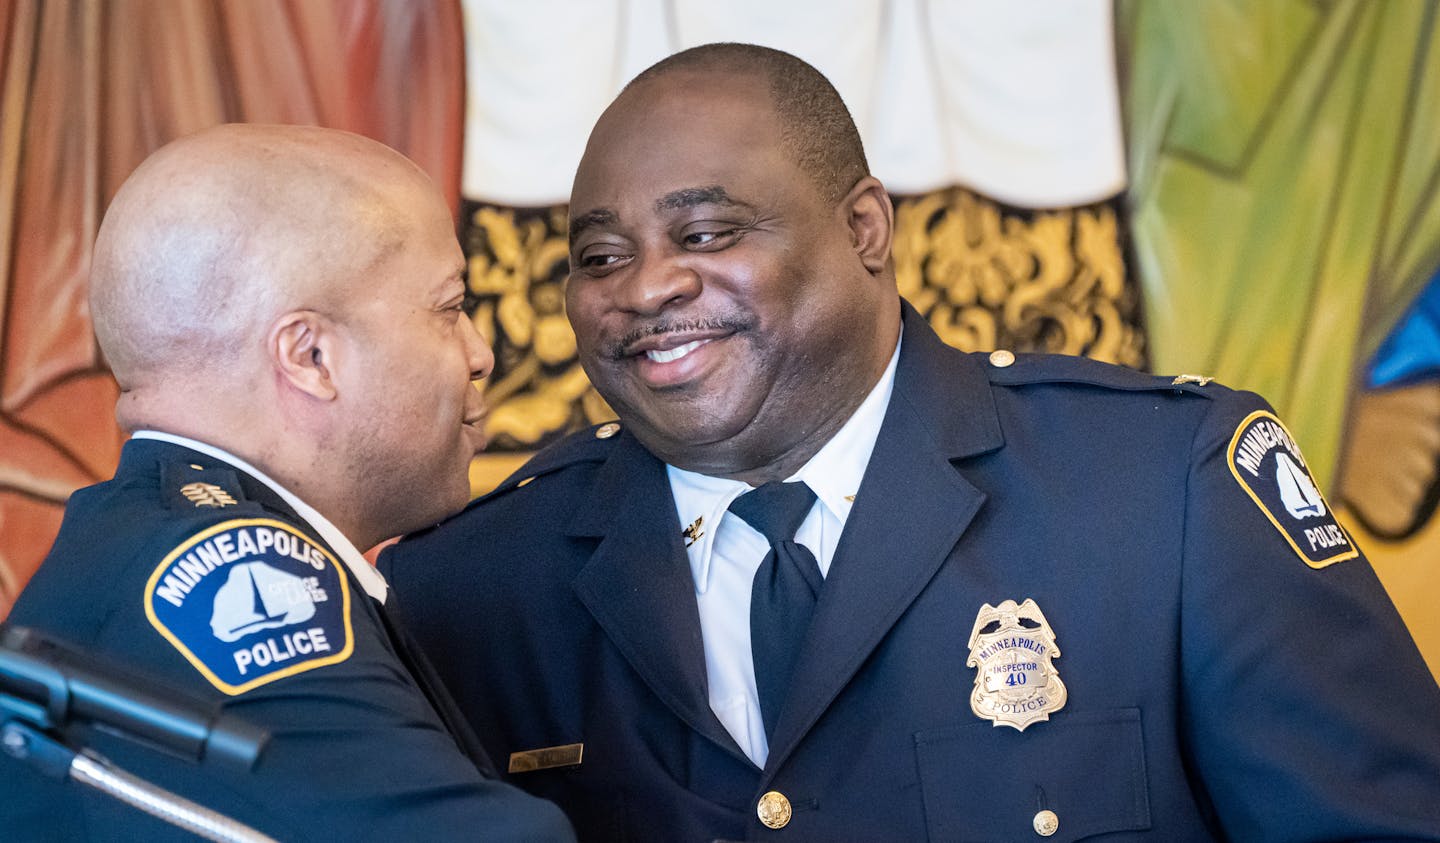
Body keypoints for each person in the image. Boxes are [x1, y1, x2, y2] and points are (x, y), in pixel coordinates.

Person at [380, 44, 1440, 842]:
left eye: (706, 235)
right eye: (600, 256)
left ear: (864, 231)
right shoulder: (475, 586)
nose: (645, 288)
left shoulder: (1168, 493)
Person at [0, 125, 574, 841]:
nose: (480, 354)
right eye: (450, 309)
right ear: (311, 356)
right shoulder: (230, 574)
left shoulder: (143, 540)